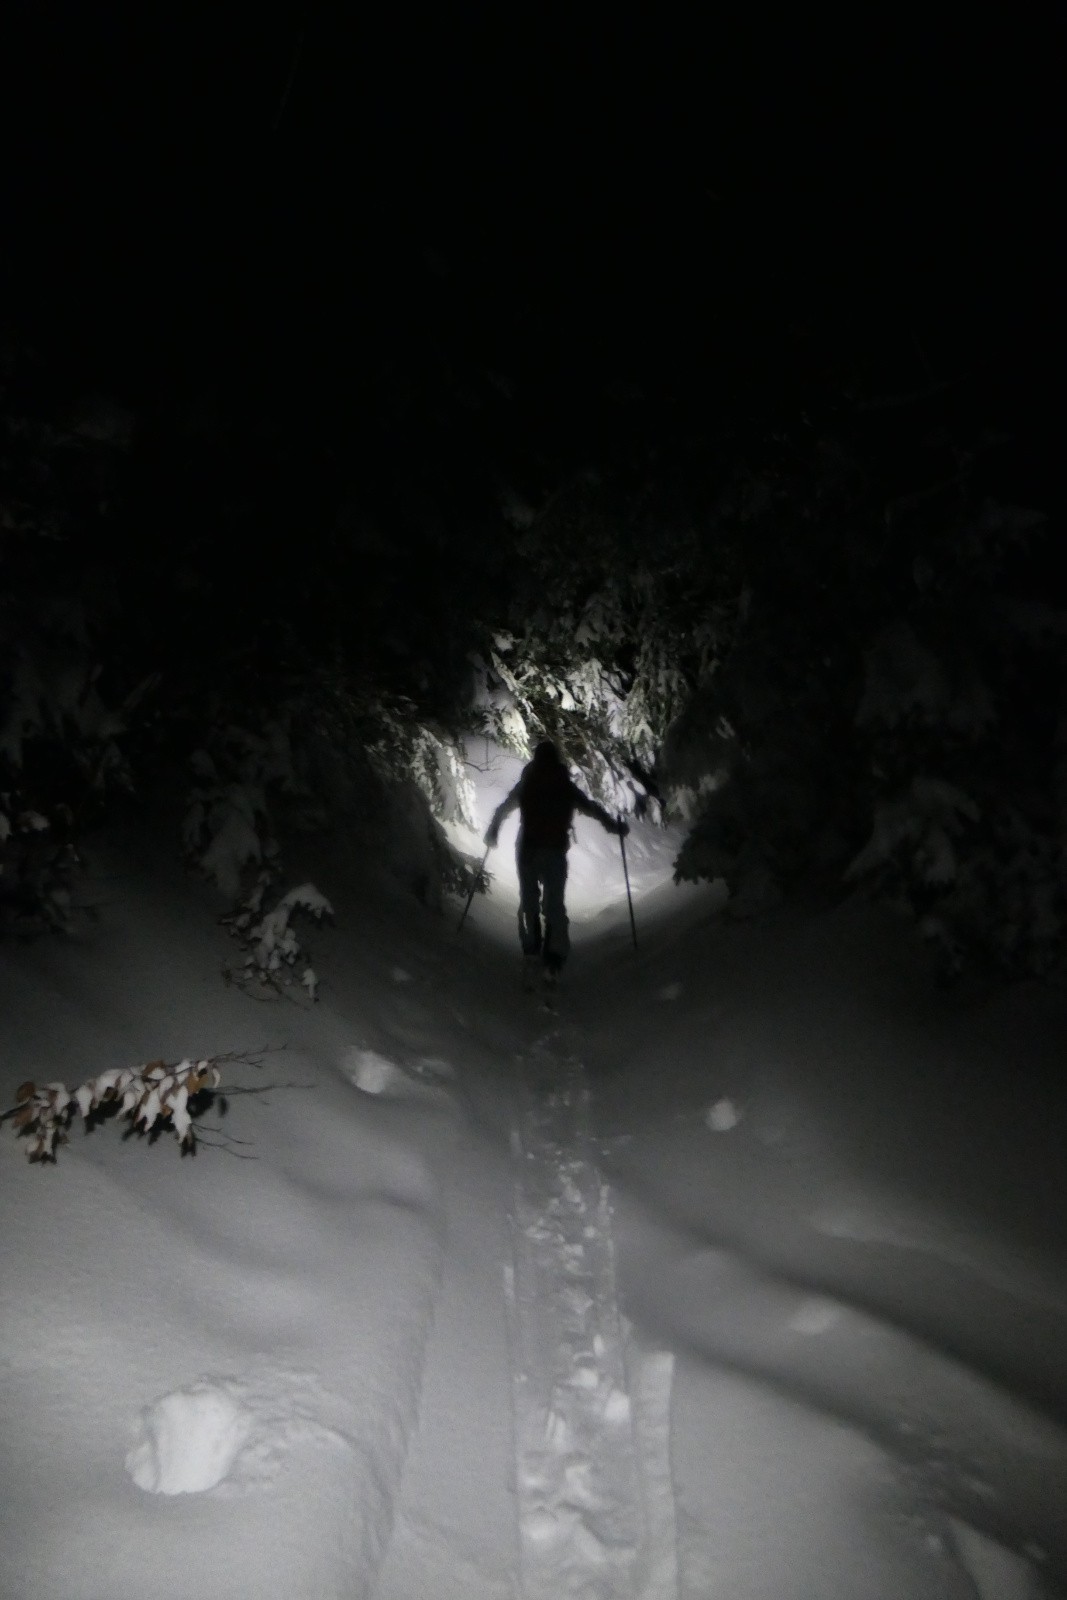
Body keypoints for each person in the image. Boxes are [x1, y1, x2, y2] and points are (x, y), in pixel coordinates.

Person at [483, 740, 629, 981]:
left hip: (528, 850)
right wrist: (613, 825)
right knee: (554, 905)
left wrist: (493, 831)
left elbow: (505, 807)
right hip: (555, 851)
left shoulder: (528, 781)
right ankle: (554, 958)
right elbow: (590, 807)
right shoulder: (563, 783)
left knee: (529, 901)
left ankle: (531, 951)